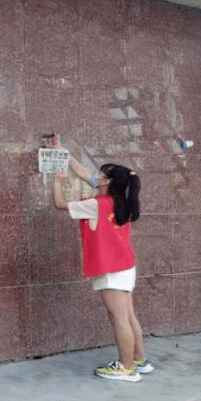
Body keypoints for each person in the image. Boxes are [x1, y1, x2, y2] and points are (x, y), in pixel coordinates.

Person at [51, 136, 151, 382]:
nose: (94, 174)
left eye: (100, 173)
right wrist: (62, 152)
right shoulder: (122, 201)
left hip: (110, 268)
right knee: (128, 316)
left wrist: (57, 181)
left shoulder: (97, 204)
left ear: (106, 181)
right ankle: (139, 360)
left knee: (118, 318)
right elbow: (84, 173)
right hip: (125, 265)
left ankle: (126, 368)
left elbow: (60, 203)